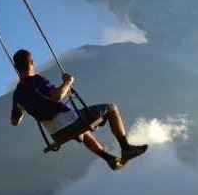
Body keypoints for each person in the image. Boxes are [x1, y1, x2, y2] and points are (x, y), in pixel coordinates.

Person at [10, 49, 147, 170]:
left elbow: (15, 121)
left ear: (16, 67)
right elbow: (57, 96)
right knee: (111, 109)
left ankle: (109, 158)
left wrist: (27, 106)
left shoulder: (17, 95)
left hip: (56, 133)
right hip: (69, 122)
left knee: (84, 132)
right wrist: (68, 82)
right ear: (32, 62)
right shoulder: (37, 80)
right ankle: (126, 148)